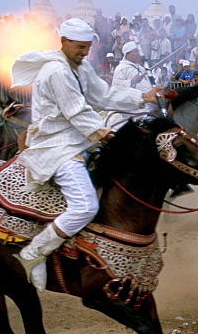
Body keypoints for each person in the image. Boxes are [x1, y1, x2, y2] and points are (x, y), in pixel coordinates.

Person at [10, 19, 159, 291]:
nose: (84, 52)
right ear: (63, 41)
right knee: (85, 207)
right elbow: (76, 111)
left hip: (77, 139)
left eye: (87, 47)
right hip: (57, 145)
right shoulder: (56, 71)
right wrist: (100, 132)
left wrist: (142, 98)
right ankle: (34, 253)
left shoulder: (80, 67)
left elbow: (104, 95)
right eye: (79, 47)